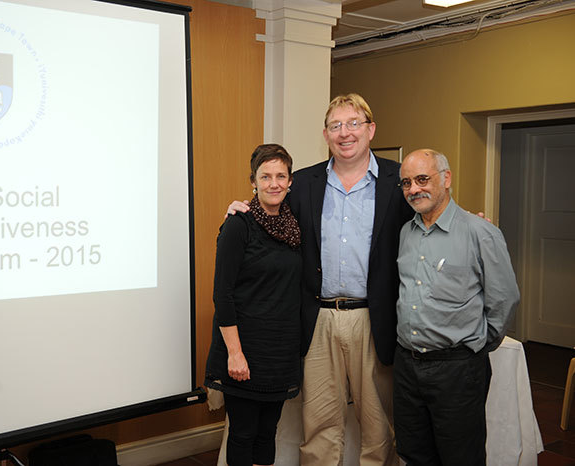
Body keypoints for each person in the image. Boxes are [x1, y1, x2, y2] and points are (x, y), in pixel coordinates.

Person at [228, 94, 413, 465]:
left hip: (373, 320)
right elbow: (270, 215)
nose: (345, 133)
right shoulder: (305, 183)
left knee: (378, 427)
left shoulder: (397, 181)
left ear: (371, 129)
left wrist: (469, 219)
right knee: (318, 424)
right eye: (335, 126)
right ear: (325, 135)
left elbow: (428, 213)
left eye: (353, 123)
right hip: (317, 319)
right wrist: (241, 211)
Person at [393, 149, 520, 466]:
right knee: (414, 453)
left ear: (446, 178)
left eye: (422, 179)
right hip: (407, 366)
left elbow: (504, 298)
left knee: (460, 457)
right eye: (406, 183)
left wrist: (476, 343)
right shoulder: (406, 233)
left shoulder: (481, 233)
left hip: (457, 369)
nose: (413, 189)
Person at [205, 143, 303, 466]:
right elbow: (223, 294)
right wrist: (235, 352)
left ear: (290, 182)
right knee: (243, 433)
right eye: (265, 176)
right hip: (243, 352)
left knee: (267, 434)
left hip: (279, 354)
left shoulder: (294, 227)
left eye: (281, 176)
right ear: (254, 181)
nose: (273, 183)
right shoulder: (238, 225)